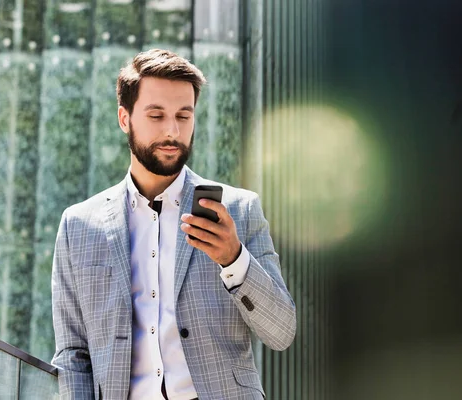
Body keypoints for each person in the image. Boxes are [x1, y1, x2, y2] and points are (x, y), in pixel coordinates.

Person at [51, 49, 296, 400]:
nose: (172, 130)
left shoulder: (240, 210)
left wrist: (235, 259)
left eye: (184, 115)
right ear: (125, 118)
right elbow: (72, 355)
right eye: (156, 115)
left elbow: (282, 332)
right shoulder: (79, 226)